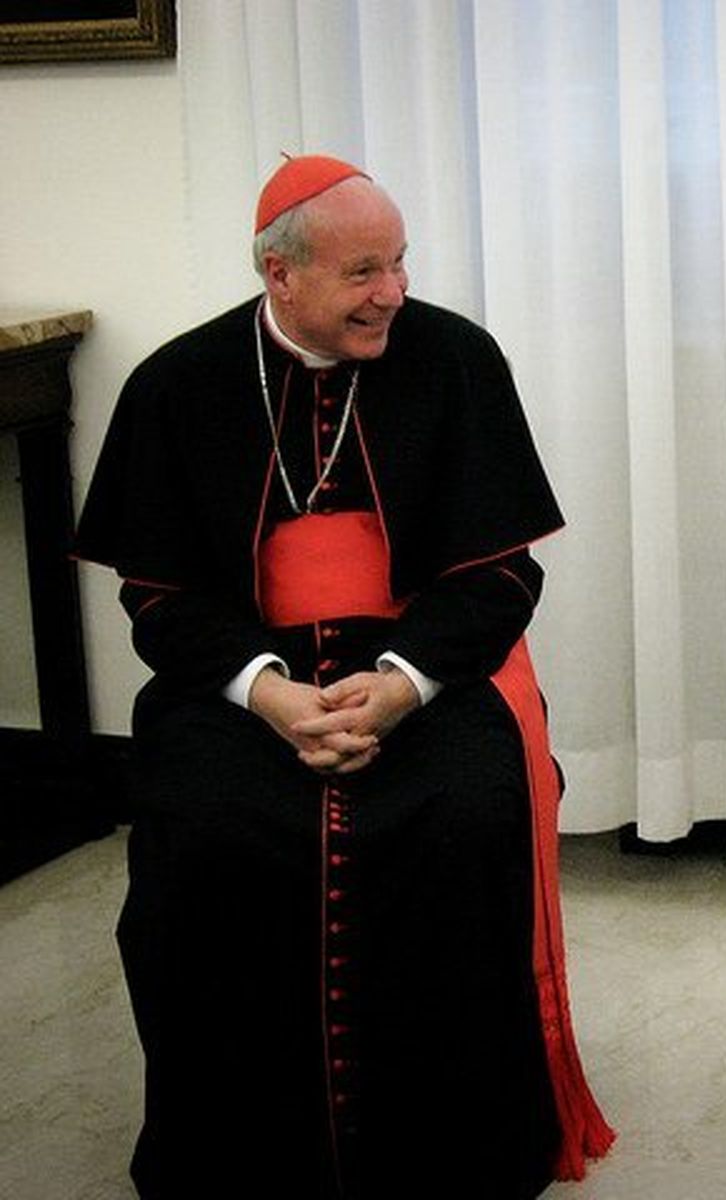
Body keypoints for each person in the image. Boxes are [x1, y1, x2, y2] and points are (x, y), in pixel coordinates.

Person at [75, 155, 612, 1198]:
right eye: (364, 271)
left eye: (400, 263)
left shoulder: (456, 360)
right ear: (280, 275)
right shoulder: (179, 384)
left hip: (429, 669)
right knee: (207, 830)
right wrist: (267, 693)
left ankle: (452, 1151)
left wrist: (405, 682)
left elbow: (501, 574)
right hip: (240, 679)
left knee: (460, 814)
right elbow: (158, 598)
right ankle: (235, 1154)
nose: (394, 293)